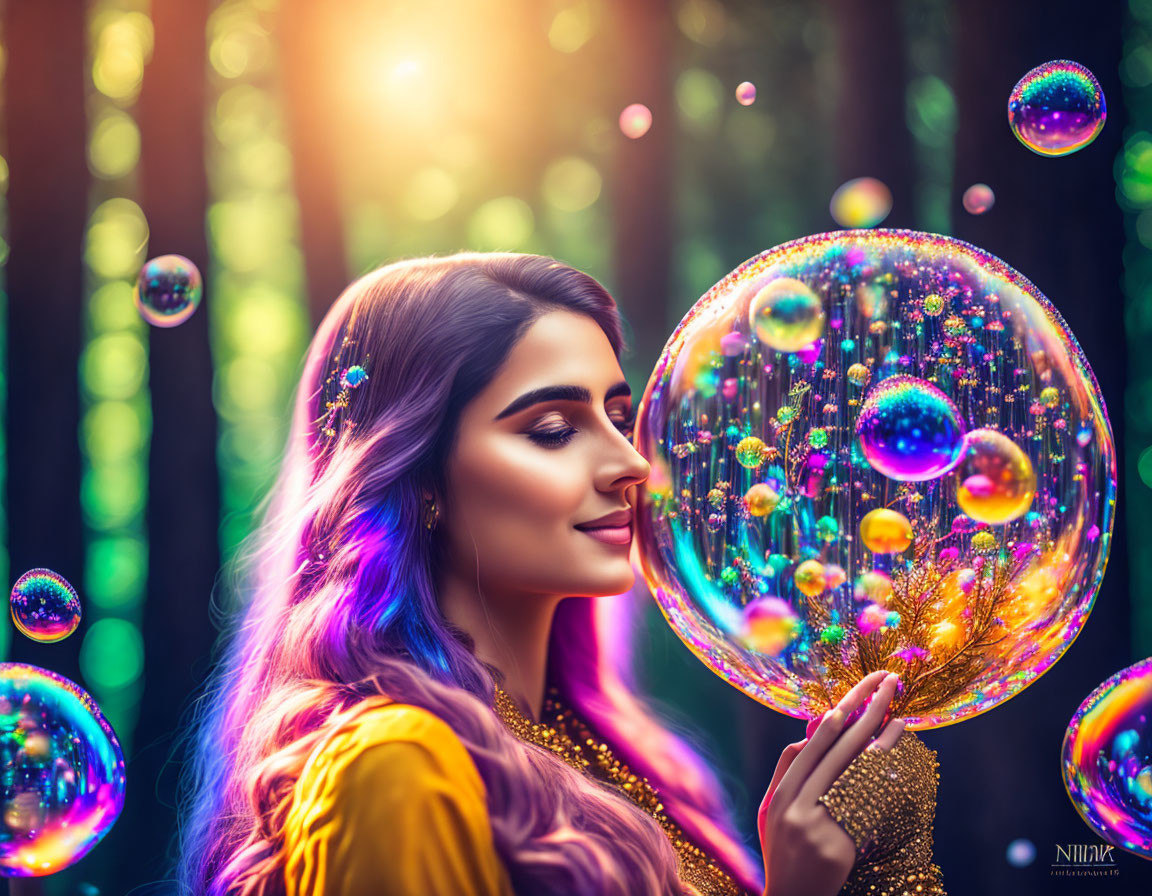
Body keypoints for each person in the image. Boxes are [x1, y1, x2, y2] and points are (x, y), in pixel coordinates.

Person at [173, 253, 943, 896]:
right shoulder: (394, 768)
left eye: (617, 413)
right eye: (551, 430)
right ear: (421, 478)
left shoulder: (614, 750)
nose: (630, 462)